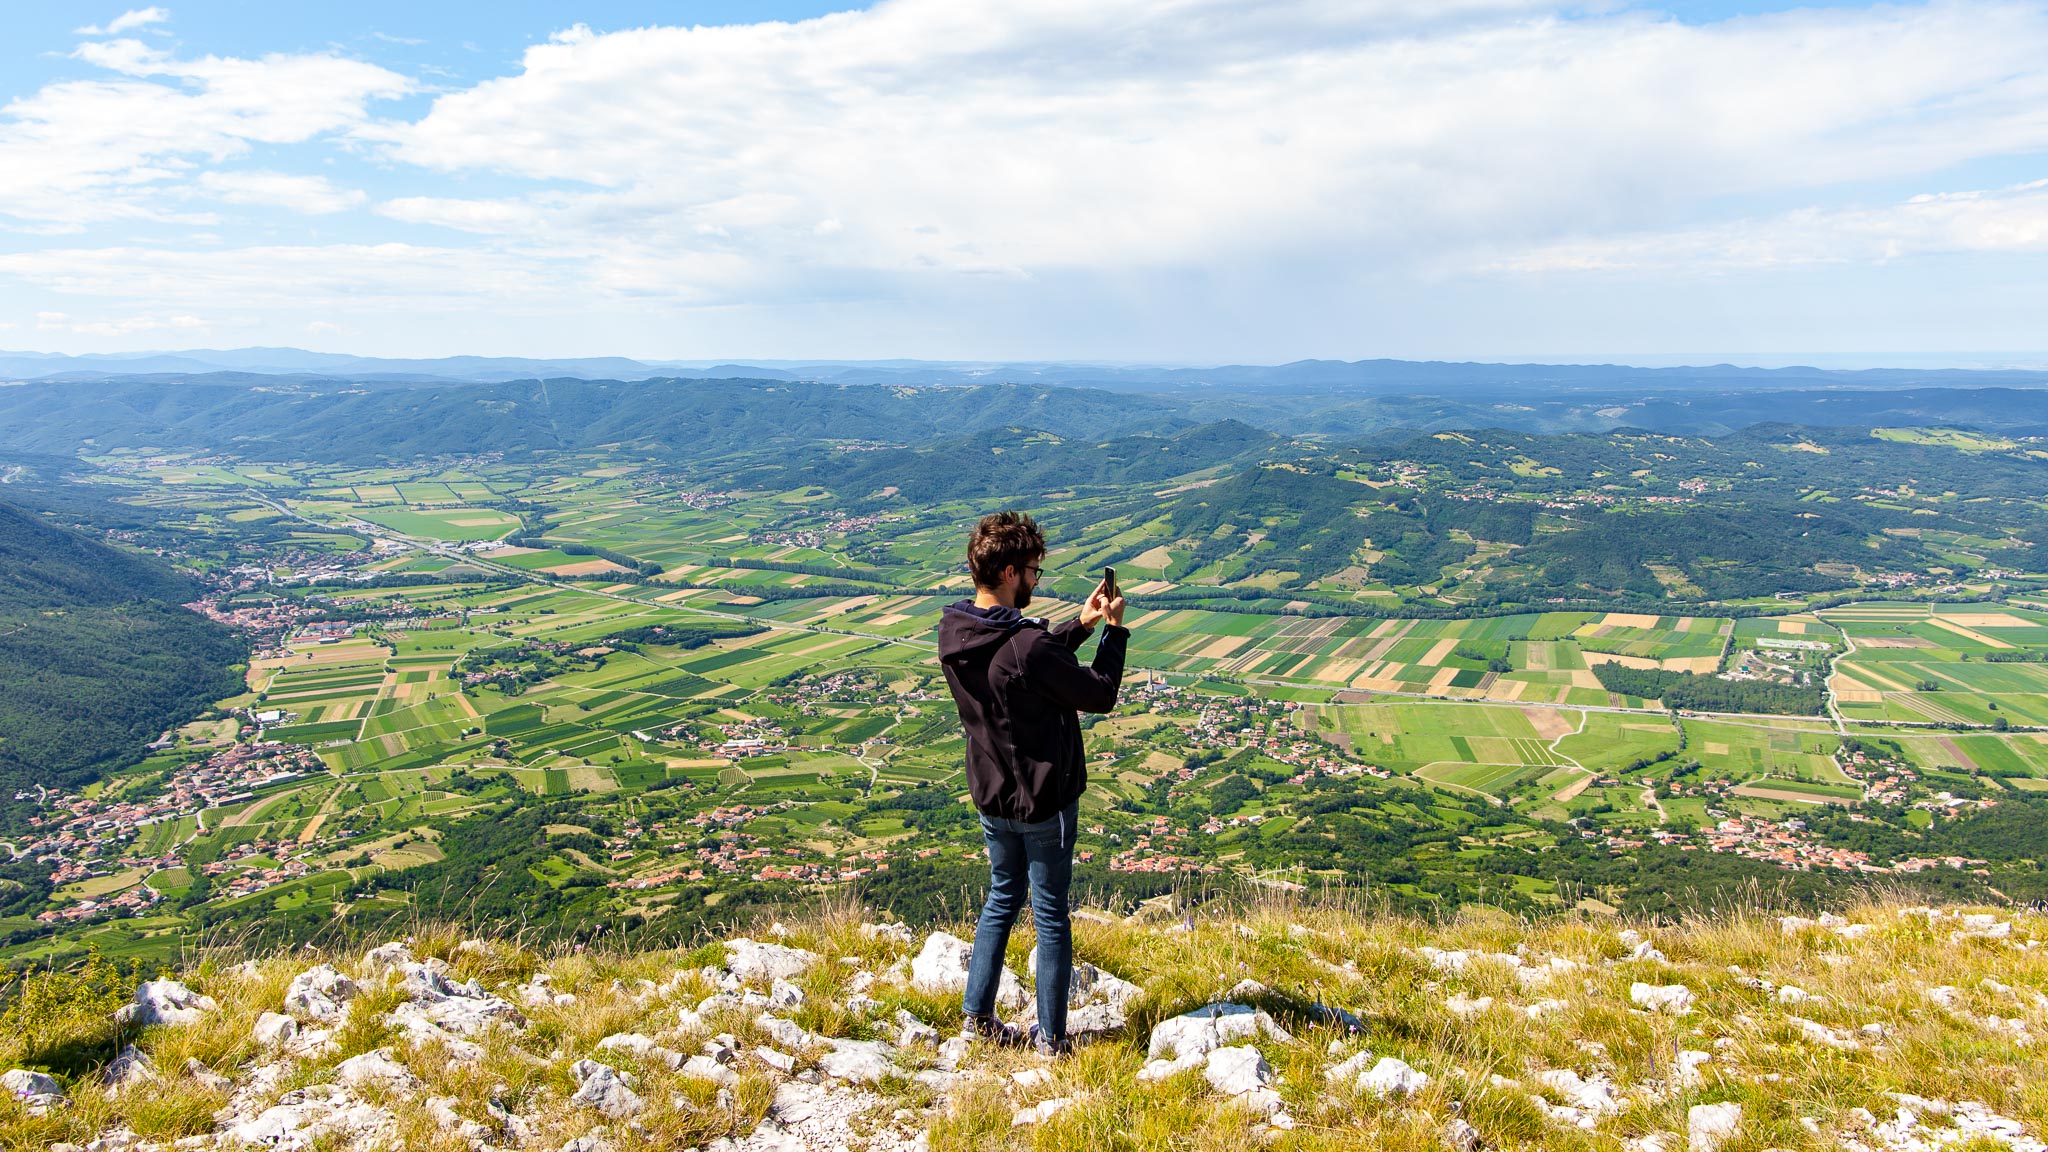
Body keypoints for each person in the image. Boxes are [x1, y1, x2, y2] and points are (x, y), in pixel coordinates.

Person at [936, 510, 1128, 1055]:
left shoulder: (957, 630)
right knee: (1050, 915)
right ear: (1011, 572)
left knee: (1002, 897)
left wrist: (1080, 625)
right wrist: (1112, 632)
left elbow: (1022, 657)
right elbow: (1099, 694)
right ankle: (1052, 1039)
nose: (1035, 583)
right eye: (1034, 574)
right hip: (1043, 801)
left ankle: (977, 1018)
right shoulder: (1024, 647)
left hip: (992, 795)